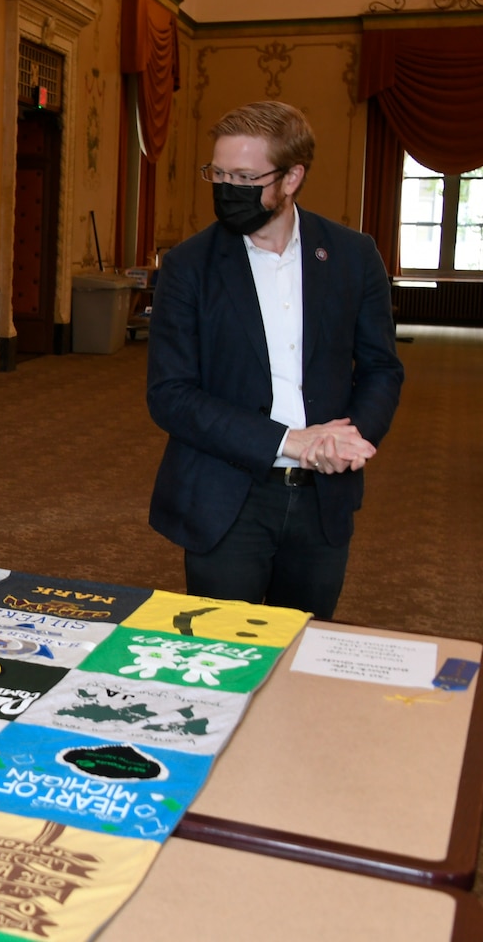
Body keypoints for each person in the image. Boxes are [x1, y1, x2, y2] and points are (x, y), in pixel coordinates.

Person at [146, 101, 404, 619]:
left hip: (322, 500)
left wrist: (352, 439)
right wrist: (289, 441)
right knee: (219, 660)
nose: (226, 188)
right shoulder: (187, 267)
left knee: (302, 650)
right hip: (227, 499)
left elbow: (381, 368)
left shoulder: (353, 256)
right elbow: (170, 396)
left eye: (243, 176)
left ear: (291, 178)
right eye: (217, 174)